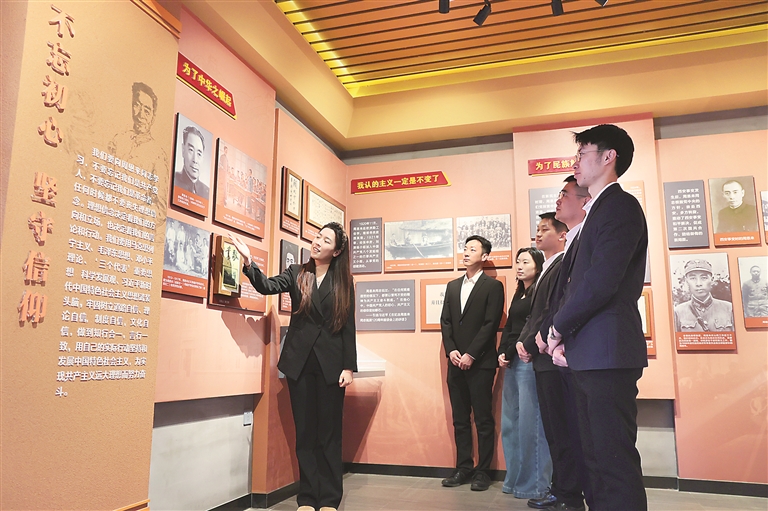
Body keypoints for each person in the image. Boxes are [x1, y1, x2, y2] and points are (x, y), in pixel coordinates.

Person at [545, 124, 649, 511]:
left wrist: (557, 328)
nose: (575, 163)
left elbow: (601, 281)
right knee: (594, 461)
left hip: (607, 353)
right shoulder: (597, 212)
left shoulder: (620, 206)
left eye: (582, 154)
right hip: (590, 353)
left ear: (608, 157)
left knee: (612, 462)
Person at [230, 222, 357, 511]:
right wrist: (249, 263)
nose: (317, 242)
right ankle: (308, 498)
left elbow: (349, 327)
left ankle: (329, 499)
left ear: (337, 251)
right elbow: (267, 286)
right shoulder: (297, 273)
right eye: (317, 236)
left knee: (329, 434)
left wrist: (349, 367)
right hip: (300, 363)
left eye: (326, 240)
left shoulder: (344, 282)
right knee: (305, 433)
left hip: (331, 366)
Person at [440, 235, 505, 492]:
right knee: (460, 419)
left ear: (485, 256)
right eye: (465, 248)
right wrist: (452, 351)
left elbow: (491, 324)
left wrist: (471, 354)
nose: (466, 253)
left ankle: (483, 472)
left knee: (483, 418)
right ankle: (463, 468)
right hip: (455, 362)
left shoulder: (493, 286)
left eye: (473, 249)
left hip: (481, 363)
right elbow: (446, 321)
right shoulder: (452, 286)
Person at [497, 247, 550, 500]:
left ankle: (535, 485)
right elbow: (510, 326)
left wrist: (512, 350)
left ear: (538, 266)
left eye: (525, 262)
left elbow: (531, 326)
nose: (519, 266)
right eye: (517, 262)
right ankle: (514, 480)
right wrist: (502, 351)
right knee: (511, 423)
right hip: (512, 360)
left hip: (529, 358)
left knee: (532, 423)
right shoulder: (519, 293)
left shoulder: (539, 290)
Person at [674, 260, 734, 331]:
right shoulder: (678, 312)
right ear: (686, 281)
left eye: (704, 278)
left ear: (712, 280)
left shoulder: (729, 308)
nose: (698, 284)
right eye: (693, 278)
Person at [174, 125, 209, 198]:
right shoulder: (173, 180)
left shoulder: (207, 193)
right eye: (191, 150)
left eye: (199, 154)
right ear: (183, 150)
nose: (195, 160)